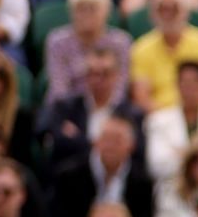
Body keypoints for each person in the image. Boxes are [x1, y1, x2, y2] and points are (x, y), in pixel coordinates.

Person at [50, 110, 153, 217]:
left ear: (131, 146)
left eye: (117, 140)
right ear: (96, 141)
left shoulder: (143, 183)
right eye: (106, 138)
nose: (110, 145)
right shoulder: (68, 176)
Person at [41, 41, 142, 174]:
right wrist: (106, 146)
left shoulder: (131, 114)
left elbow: (137, 155)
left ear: (116, 76)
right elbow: (56, 145)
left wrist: (79, 139)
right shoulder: (65, 108)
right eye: (92, 73)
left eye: (105, 73)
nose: (98, 80)